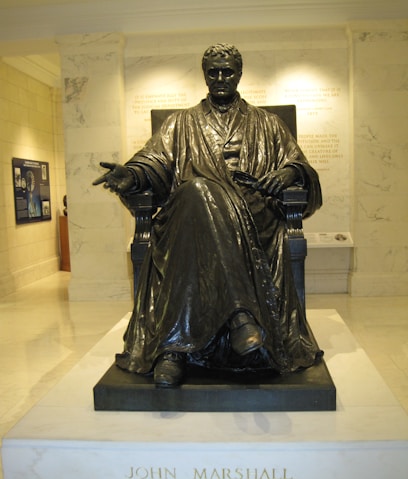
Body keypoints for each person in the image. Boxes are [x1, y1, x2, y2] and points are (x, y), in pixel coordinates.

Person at [93, 43, 323, 388]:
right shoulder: (181, 123)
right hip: (189, 212)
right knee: (196, 194)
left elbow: (301, 166)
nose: (219, 78)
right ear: (204, 74)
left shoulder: (269, 124)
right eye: (212, 72)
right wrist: (133, 175)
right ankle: (240, 317)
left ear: (239, 75)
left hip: (251, 214)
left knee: (195, 196)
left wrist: (289, 173)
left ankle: (173, 351)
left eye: (227, 72)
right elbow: (154, 161)